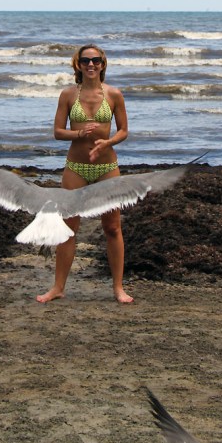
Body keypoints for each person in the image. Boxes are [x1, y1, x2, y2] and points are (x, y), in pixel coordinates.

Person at [36, 44, 133, 304]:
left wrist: (108, 142)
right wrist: (79, 134)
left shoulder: (114, 95)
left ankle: (118, 288)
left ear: (103, 64)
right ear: (78, 65)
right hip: (75, 168)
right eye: (86, 60)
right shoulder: (68, 95)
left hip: (107, 168)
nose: (91, 65)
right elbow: (58, 131)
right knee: (68, 228)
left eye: (96, 60)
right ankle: (58, 287)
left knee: (112, 227)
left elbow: (123, 130)